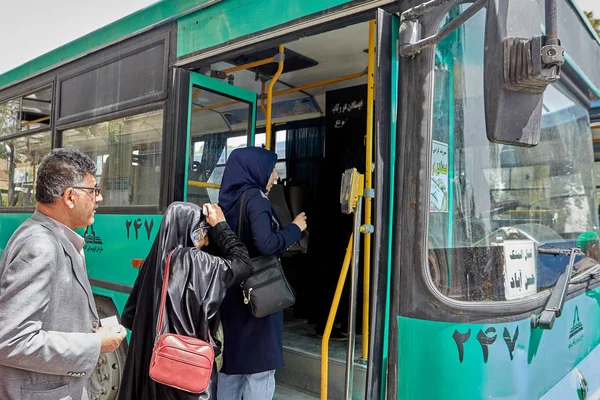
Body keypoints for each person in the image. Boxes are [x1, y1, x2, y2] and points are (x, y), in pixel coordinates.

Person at [0, 148, 127, 400]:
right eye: (93, 191)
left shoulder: (48, 235)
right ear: (70, 197)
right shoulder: (40, 245)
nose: (98, 198)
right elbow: (12, 340)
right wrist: (96, 344)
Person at [118, 201, 254, 399]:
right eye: (202, 230)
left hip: (152, 367)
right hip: (183, 368)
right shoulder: (193, 261)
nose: (205, 239)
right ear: (187, 229)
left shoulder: (151, 262)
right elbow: (242, 263)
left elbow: (129, 315)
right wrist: (221, 226)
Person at [217, 147, 308, 399]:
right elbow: (266, 244)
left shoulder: (226, 201)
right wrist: (294, 229)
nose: (276, 176)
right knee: (260, 371)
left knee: (230, 369)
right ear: (256, 170)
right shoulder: (255, 199)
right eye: (271, 169)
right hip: (258, 296)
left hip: (231, 294)